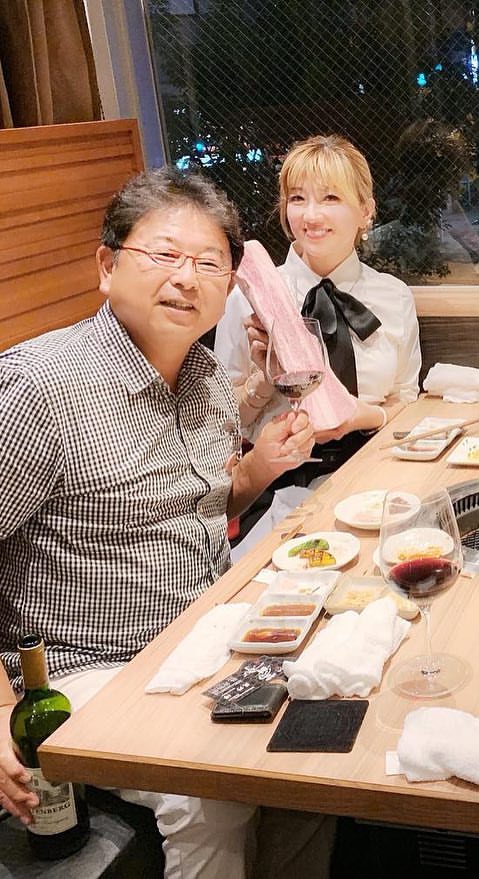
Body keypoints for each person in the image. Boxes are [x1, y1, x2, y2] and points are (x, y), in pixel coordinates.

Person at [0, 168, 330, 877]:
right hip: (88, 665)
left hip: (206, 634)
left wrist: (258, 470)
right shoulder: (38, 388)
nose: (187, 278)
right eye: (164, 255)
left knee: (319, 740)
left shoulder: (205, 377)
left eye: (210, 263)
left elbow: (204, 507)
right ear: (106, 265)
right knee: (205, 782)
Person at [214, 134, 421, 538]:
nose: (311, 216)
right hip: (278, 491)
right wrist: (265, 379)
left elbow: (407, 402)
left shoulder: (394, 297)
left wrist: (362, 417)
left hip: (377, 478)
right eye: (297, 199)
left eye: (330, 198)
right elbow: (221, 423)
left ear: (365, 211)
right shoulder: (248, 298)